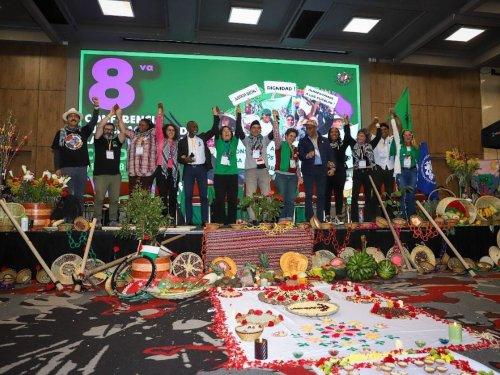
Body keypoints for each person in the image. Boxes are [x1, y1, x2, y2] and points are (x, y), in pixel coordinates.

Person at [52, 97, 100, 211]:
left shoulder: (83, 131)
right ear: (67, 119)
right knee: (68, 194)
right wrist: (57, 168)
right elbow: (57, 151)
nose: (73, 118)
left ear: (78, 120)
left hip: (81, 167)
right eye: (71, 116)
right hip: (66, 167)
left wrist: (96, 107)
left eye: (75, 116)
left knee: (79, 194)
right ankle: (68, 218)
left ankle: (79, 218)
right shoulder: (60, 133)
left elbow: (93, 122)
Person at [178, 111, 218, 225]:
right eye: (193, 126)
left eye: (196, 126)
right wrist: (184, 160)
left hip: (201, 169)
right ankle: (189, 220)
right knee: (188, 196)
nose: (195, 128)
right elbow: (179, 158)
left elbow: (214, 130)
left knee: (203, 196)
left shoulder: (202, 137)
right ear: (188, 128)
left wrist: (215, 116)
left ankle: (204, 221)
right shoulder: (182, 142)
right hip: (189, 170)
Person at [93, 104, 126, 228]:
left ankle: (113, 220)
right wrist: (110, 115)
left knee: (114, 199)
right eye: (106, 129)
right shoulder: (98, 140)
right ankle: (97, 221)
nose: (108, 131)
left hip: (115, 175)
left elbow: (123, 131)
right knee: (99, 198)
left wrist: (119, 117)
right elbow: (100, 125)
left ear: (113, 131)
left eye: (110, 129)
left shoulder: (117, 141)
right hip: (100, 174)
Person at [298, 118, 335, 221]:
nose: (308, 130)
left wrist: (332, 166)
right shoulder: (302, 141)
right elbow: (300, 155)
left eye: (310, 128)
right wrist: (307, 155)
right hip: (308, 171)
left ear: (315, 128)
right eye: (306, 128)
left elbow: (330, 155)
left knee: (321, 194)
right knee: (309, 194)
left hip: (321, 170)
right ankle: (309, 218)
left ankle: (319, 219)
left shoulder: (324, 140)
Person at [345, 117, 382, 222]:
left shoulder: (370, 145)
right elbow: (347, 135)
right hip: (357, 173)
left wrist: (377, 124)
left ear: (365, 137)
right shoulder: (353, 145)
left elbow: (378, 136)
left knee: (368, 197)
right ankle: (355, 219)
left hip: (368, 173)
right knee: (354, 196)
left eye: (362, 135)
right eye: (358, 135)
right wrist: (347, 123)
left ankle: (367, 219)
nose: (360, 137)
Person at [212, 105, 245, 225]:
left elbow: (238, 128)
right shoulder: (218, 141)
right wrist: (215, 116)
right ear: (221, 135)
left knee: (232, 200)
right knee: (220, 200)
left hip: (232, 175)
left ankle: (231, 222)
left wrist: (239, 115)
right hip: (219, 176)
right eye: (224, 131)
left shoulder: (235, 142)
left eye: (228, 131)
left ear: (231, 134)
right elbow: (215, 128)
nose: (226, 132)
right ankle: (221, 221)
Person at [239, 116, 274, 221]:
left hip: (263, 170)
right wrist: (238, 115)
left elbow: (274, 132)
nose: (255, 129)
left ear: (260, 129)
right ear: (250, 129)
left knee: (267, 195)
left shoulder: (264, 139)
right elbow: (239, 130)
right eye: (253, 127)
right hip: (251, 170)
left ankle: (265, 219)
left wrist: (275, 120)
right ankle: (253, 219)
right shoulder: (246, 140)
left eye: (258, 127)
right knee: (250, 196)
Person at [273, 110, 301, 221]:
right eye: (290, 135)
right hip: (281, 175)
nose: (292, 138)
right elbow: (275, 134)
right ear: (285, 136)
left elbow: (296, 165)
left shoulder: (295, 148)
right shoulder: (280, 145)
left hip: (293, 177)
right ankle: (281, 219)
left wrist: (299, 177)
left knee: (291, 199)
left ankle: (289, 219)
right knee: (282, 198)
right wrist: (276, 120)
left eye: (294, 136)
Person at [155, 103, 180, 222]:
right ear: (165, 131)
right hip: (161, 170)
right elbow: (158, 126)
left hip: (174, 172)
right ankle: (163, 218)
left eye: (173, 130)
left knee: (173, 196)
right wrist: (160, 113)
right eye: (169, 130)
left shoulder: (177, 143)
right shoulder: (160, 139)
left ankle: (171, 219)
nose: (171, 131)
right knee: (163, 196)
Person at [324, 118, 350, 223]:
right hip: (327, 173)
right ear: (329, 134)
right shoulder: (324, 144)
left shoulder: (342, 144)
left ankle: (339, 216)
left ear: (338, 134)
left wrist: (346, 124)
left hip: (340, 173)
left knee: (339, 195)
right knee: (327, 195)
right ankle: (327, 216)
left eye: (336, 132)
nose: (334, 133)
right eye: (332, 132)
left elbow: (348, 137)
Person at [391, 129, 419, 219]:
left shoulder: (415, 147)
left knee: (411, 193)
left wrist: (416, 147)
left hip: (412, 171)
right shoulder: (399, 146)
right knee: (403, 194)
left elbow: (418, 159)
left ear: (412, 136)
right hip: (402, 172)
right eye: (405, 135)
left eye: (409, 135)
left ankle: (411, 217)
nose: (407, 136)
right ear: (403, 136)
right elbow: (393, 146)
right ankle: (403, 218)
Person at [125, 117, 157, 191]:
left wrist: (160, 114)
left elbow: (158, 127)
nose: (140, 126)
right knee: (133, 195)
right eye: (139, 125)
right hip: (133, 171)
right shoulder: (134, 135)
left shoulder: (151, 134)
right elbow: (124, 130)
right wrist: (119, 117)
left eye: (143, 125)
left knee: (144, 196)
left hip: (146, 171)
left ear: (148, 126)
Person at [373, 121, 395, 214]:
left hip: (390, 169)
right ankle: (377, 215)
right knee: (376, 193)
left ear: (388, 130)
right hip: (378, 169)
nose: (383, 131)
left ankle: (389, 215)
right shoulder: (375, 139)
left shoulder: (393, 139)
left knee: (389, 193)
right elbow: (366, 130)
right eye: (381, 129)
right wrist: (374, 123)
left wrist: (394, 119)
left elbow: (399, 130)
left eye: (385, 129)